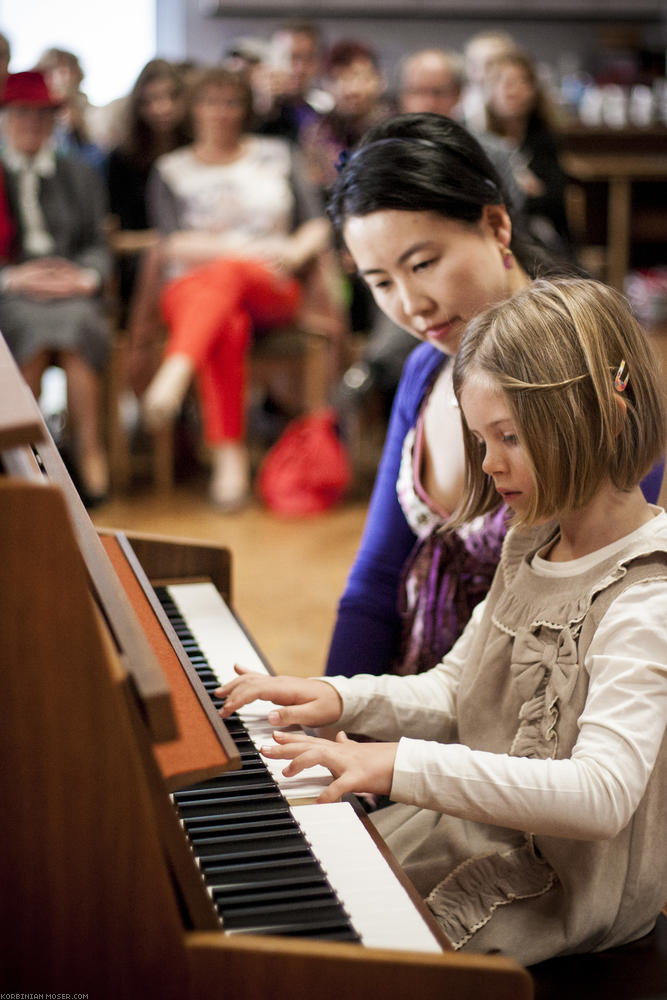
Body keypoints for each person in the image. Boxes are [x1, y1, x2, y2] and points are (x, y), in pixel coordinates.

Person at [215, 275, 667, 966]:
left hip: (561, 888)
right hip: (476, 825)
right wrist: (343, 695)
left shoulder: (645, 590)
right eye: (480, 438)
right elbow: (458, 689)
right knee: (271, 901)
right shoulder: (531, 540)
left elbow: (600, 795)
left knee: (320, 953)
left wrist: (392, 765)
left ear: (595, 411)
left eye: (508, 436)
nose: (488, 464)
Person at [323, 113, 663, 680]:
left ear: (496, 225)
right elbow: (375, 581)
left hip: (535, 725)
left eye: (423, 264)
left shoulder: (586, 368)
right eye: (381, 282)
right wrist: (334, 711)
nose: (410, 305)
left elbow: (607, 598)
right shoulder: (423, 370)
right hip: (417, 703)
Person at [137, 66, 331, 510]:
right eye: (209, 102)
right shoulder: (171, 169)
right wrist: (234, 249)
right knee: (227, 322)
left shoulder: (278, 154)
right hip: (191, 290)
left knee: (227, 275)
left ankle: (177, 370)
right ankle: (230, 461)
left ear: (244, 109)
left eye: (230, 103)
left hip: (272, 283)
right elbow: (170, 243)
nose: (220, 113)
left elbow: (317, 222)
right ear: (193, 109)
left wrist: (298, 251)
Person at [0, 70, 111, 505]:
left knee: (78, 329)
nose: (33, 123)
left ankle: (90, 456)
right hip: (12, 295)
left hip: (70, 291)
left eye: (43, 115)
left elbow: (96, 244)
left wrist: (83, 277)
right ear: (7, 117)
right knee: (27, 334)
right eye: (23, 113)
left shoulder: (79, 175)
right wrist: (15, 277)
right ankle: (22, 461)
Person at [106, 59, 191, 320]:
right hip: (145, 261)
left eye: (170, 97)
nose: (161, 108)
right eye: (150, 100)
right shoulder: (120, 161)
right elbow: (115, 238)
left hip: (198, 254)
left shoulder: (199, 150)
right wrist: (166, 243)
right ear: (138, 107)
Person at [481, 48, 573, 258]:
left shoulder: (544, 140)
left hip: (543, 240)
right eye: (503, 82)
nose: (512, 90)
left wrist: (516, 190)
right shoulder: (480, 141)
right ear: (489, 90)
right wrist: (526, 189)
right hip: (494, 241)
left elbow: (555, 198)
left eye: (521, 82)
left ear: (533, 91)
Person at [300, 39, 392, 194]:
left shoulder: (397, 130)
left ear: (380, 80)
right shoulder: (316, 135)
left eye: (360, 77)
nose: (352, 90)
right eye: (340, 79)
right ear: (325, 85)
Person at [253, 21, 332, 144]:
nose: (299, 68)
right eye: (290, 57)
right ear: (270, 61)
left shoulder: (324, 113)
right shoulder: (250, 110)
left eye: (308, 58)